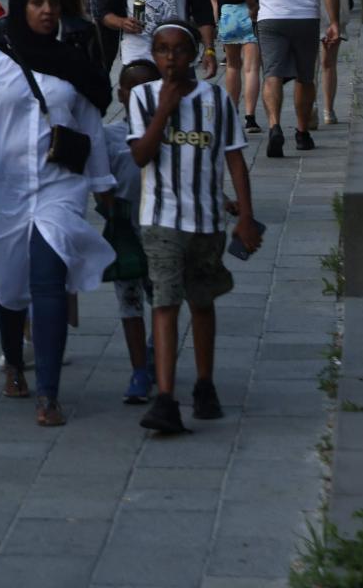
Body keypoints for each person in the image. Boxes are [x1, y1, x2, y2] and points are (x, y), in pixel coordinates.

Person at [0, 0, 116, 427]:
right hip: (1, 189)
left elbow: (90, 124)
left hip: (58, 186)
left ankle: (49, 391)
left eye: (54, 3)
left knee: (49, 278)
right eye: (38, 3)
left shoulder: (72, 62)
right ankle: (12, 357)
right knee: (8, 285)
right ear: (20, 8)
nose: (47, 11)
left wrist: (102, 184)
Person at [129, 22, 260, 435]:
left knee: (202, 302)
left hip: (205, 221)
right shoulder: (143, 97)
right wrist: (164, 111)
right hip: (161, 220)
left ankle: (205, 384)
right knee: (165, 303)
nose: (171, 58)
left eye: (179, 50)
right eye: (162, 50)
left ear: (194, 55)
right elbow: (141, 156)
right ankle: (166, 398)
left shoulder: (216, 98)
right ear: (153, 55)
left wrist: (245, 217)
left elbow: (235, 159)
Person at [243, 0, 340, 159]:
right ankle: (301, 132)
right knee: (304, 76)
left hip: (271, 16)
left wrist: (252, 7)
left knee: (272, 73)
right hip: (306, 16)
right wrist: (334, 22)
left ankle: (274, 124)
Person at [100, 60, 163, 406]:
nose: (141, 97)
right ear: (120, 95)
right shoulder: (110, 137)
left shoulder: (169, 132)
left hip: (162, 229)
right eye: (133, 90)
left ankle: (157, 350)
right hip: (126, 231)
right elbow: (100, 179)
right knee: (129, 302)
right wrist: (108, 210)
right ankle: (139, 368)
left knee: (164, 299)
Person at [208, 0, 261, 134]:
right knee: (251, 68)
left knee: (232, 66)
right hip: (250, 11)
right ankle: (251, 117)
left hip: (227, 13)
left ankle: (232, 114)